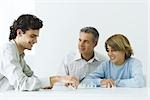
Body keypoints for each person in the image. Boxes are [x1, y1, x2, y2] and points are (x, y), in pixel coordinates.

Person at [0, 14, 74, 91]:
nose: (35, 41)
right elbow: (21, 83)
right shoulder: (8, 50)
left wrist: (49, 83)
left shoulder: (19, 54)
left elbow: (31, 77)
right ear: (19, 33)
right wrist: (57, 79)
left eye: (36, 37)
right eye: (32, 36)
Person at [81, 34, 145, 88]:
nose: (109, 54)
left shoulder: (134, 63)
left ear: (124, 50)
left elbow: (139, 82)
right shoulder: (105, 65)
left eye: (114, 50)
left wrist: (115, 82)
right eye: (108, 50)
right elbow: (85, 81)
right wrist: (101, 81)